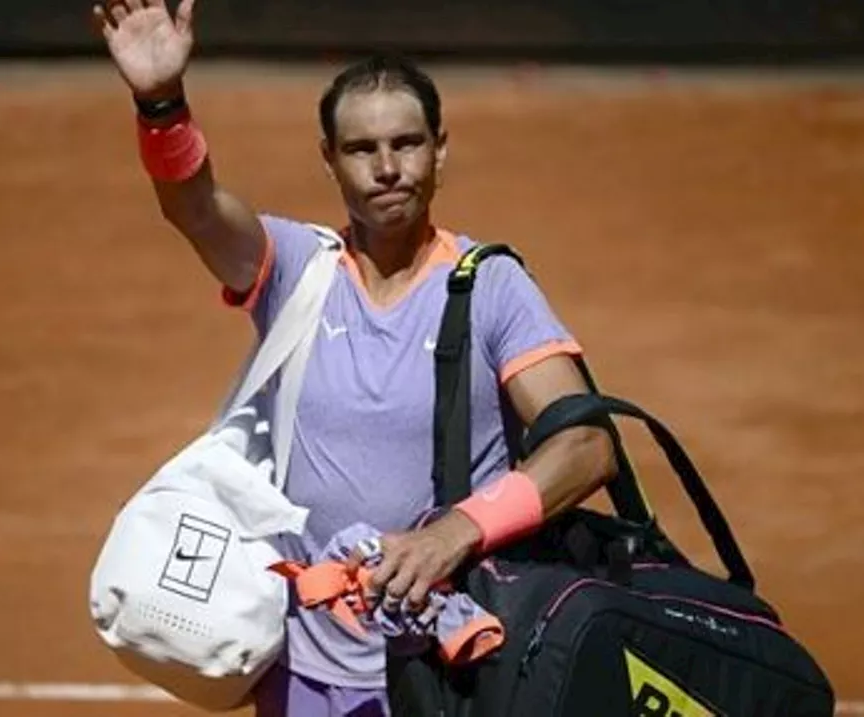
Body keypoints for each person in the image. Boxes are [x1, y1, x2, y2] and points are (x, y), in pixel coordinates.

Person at [92, 1, 619, 714]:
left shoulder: (490, 286)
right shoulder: (298, 269)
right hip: (303, 671)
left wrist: (454, 533)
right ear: (330, 160)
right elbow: (195, 207)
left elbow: (585, 445)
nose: (388, 168)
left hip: (455, 673)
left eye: (407, 143)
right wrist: (161, 103)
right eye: (362, 149)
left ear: (440, 149)